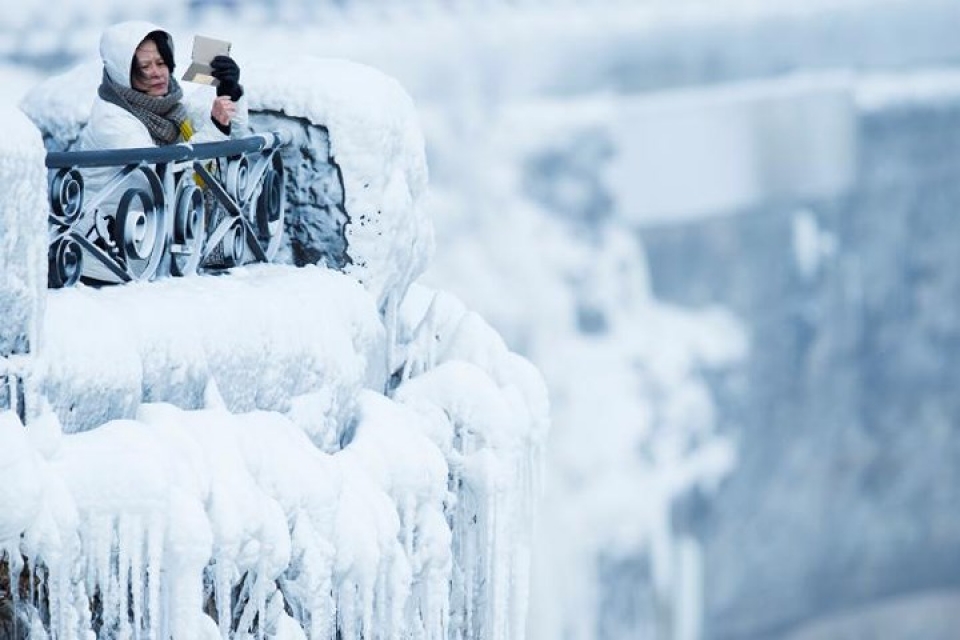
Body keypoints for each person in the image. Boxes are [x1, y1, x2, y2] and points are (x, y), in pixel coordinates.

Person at [78, 20, 247, 151]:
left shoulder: (168, 103)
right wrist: (216, 128)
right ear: (122, 73)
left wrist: (230, 92)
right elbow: (163, 178)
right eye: (145, 66)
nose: (157, 73)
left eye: (161, 63)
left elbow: (233, 138)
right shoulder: (112, 121)